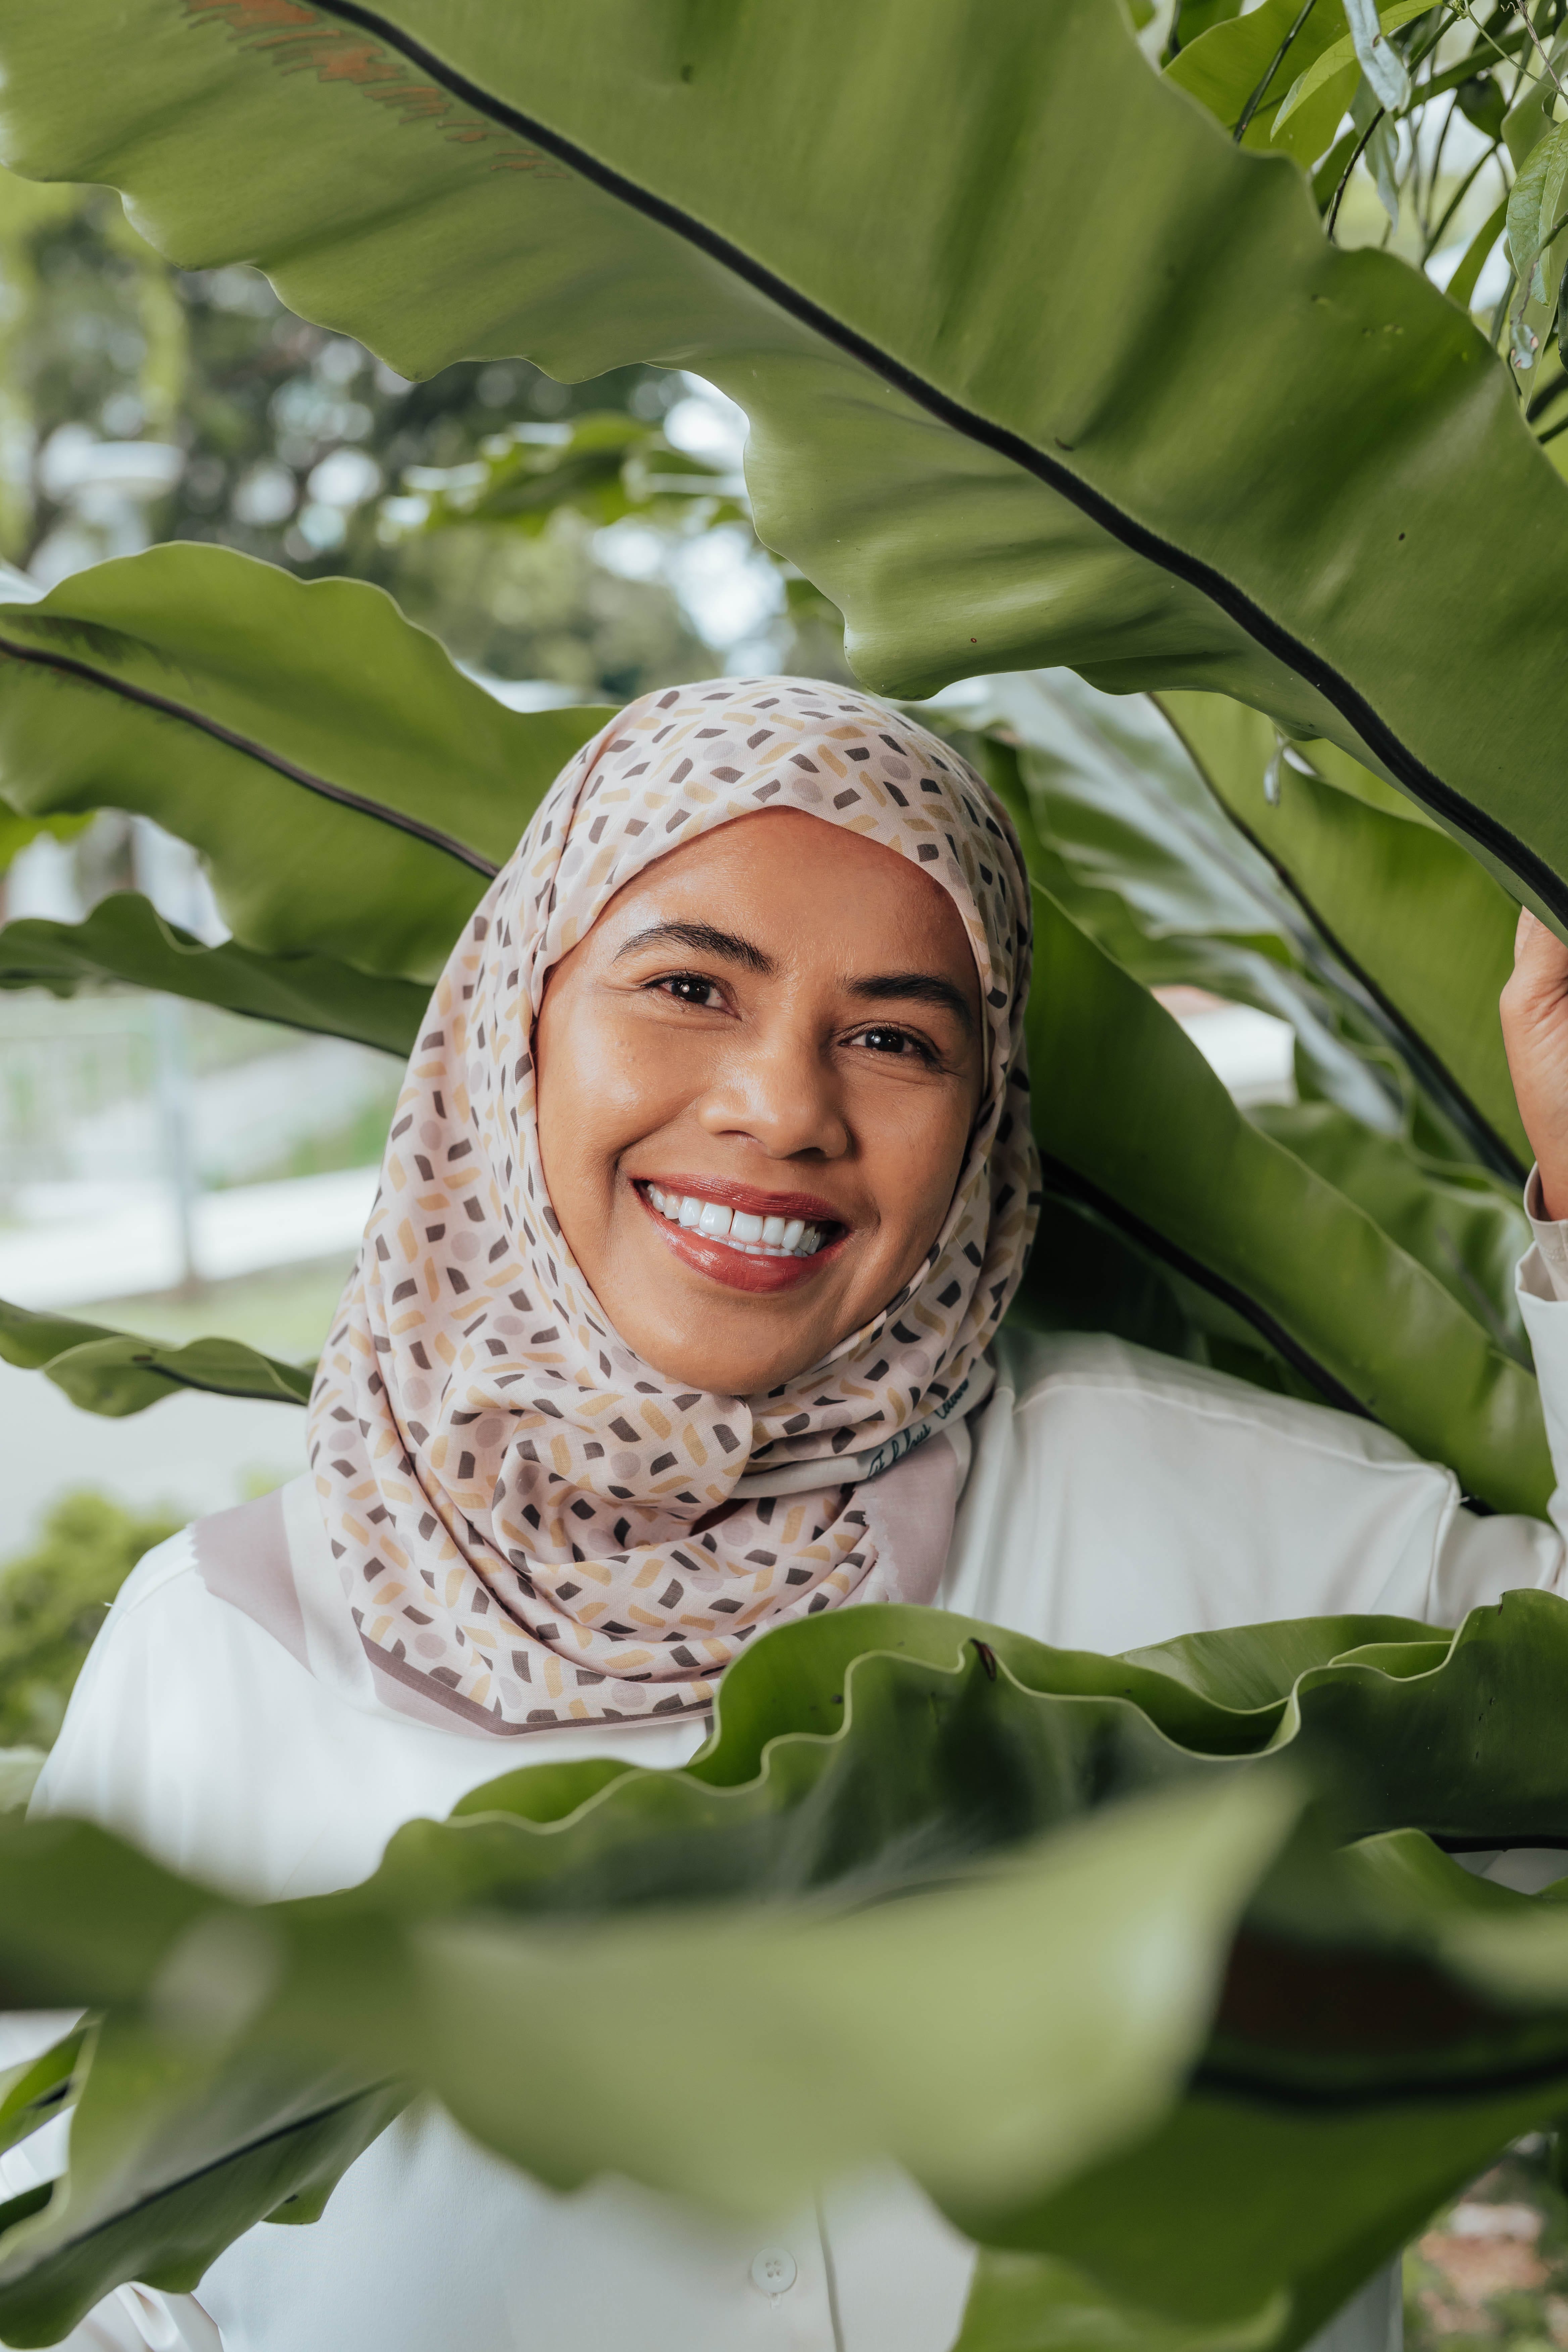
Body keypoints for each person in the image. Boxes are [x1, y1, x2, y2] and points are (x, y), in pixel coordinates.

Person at [17, 677, 1568, 2352]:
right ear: (516, 1016)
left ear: (983, 1120)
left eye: (896, 1038)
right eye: (689, 986)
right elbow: (92, 2291)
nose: (780, 1106)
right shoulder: (221, 1658)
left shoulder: (1259, 1531)